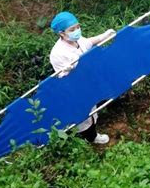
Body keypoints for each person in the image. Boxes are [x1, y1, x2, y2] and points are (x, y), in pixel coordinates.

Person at [49, 11, 115, 144]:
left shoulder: (76, 40)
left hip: (88, 83)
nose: (77, 31)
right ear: (62, 33)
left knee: (92, 110)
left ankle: (88, 135)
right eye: (72, 29)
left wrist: (104, 36)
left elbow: (88, 42)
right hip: (75, 90)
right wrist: (68, 70)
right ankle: (90, 139)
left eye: (78, 27)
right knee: (85, 117)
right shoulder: (58, 53)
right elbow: (63, 77)